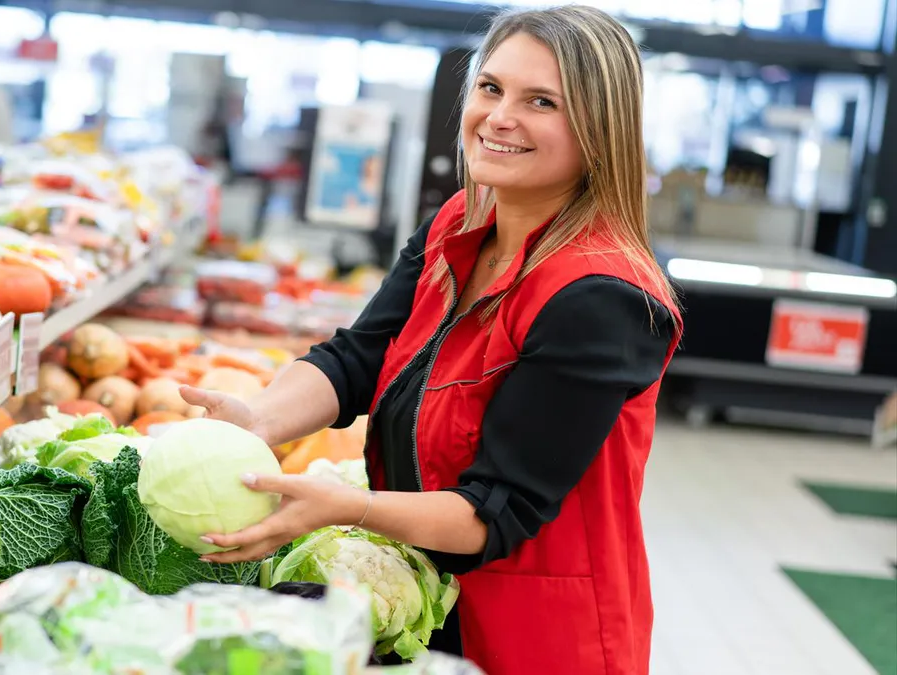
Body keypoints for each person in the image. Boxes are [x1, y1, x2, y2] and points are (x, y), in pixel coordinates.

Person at [180, 6, 681, 675]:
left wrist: (348, 507)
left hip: (527, 636)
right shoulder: (459, 224)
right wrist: (259, 421)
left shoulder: (600, 296)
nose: (500, 116)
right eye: (491, 88)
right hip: (422, 605)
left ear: (599, 130)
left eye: (542, 101)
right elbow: (360, 357)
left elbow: (491, 515)